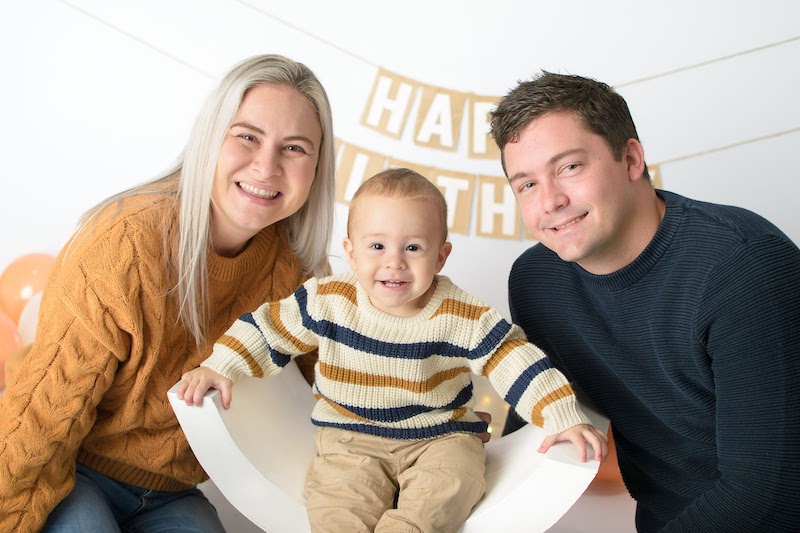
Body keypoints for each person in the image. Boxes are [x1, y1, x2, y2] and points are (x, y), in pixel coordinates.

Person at [0, 54, 336, 532]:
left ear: (317, 167)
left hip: (172, 493)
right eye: (247, 136)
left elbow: (327, 404)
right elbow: (42, 418)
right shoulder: (126, 245)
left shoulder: (300, 277)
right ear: (210, 138)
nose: (267, 166)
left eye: (295, 148)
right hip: (75, 467)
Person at [178, 167, 608, 532]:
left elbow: (512, 358)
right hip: (349, 438)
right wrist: (221, 365)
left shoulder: (461, 314)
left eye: (413, 248)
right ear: (351, 253)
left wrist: (560, 414)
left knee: (451, 487)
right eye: (377, 246)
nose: (394, 262)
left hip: (441, 438)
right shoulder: (329, 301)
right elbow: (268, 329)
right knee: (337, 506)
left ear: (440, 257)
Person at [491, 71, 800, 532]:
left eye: (569, 167)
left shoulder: (743, 265)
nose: (550, 201)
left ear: (631, 159)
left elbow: (772, 492)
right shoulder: (536, 281)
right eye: (527, 185)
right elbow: (541, 423)